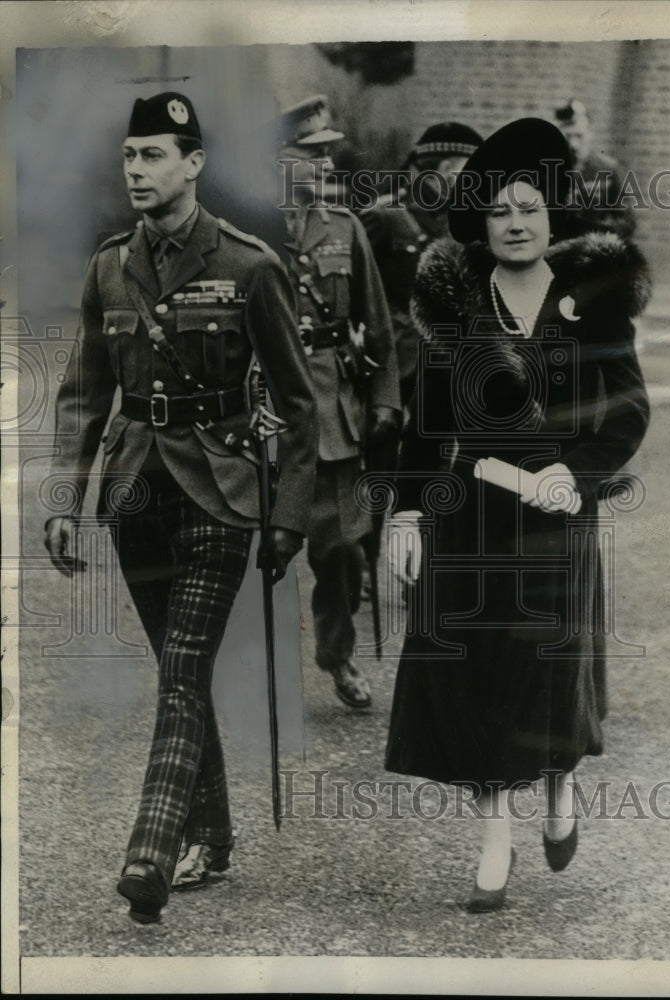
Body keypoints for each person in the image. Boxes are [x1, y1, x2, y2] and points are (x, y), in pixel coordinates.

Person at [44, 92, 318, 923]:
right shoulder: (107, 267)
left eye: (154, 155)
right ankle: (215, 836)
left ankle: (151, 851)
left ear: (193, 164)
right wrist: (66, 496)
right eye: (130, 156)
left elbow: (301, 405)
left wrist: (289, 516)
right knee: (177, 672)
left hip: (221, 492)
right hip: (136, 492)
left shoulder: (249, 265)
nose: (137, 170)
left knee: (185, 669)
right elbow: (83, 393)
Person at [386, 118, 651, 910]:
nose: (514, 222)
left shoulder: (591, 305)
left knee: (549, 669)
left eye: (529, 207)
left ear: (553, 215)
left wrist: (578, 472)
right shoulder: (456, 307)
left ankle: (561, 784)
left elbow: (628, 410)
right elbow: (427, 424)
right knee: (476, 677)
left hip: (557, 512)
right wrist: (405, 516)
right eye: (499, 209)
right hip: (471, 515)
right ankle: (494, 840)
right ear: (480, 221)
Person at [275, 94, 401, 709]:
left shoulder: (345, 228)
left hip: (332, 416)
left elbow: (376, 322)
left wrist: (384, 399)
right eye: (312, 153)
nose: (328, 163)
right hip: (264, 417)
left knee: (343, 550)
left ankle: (338, 654)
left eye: (330, 151)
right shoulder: (242, 231)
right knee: (243, 555)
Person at [360, 122, 484, 409]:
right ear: (446, 170)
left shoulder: (459, 218)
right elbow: (356, 286)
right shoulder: (385, 215)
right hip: (395, 365)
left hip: (447, 365)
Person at [554, 98, 636, 239]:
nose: (573, 144)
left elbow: (627, 222)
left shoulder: (607, 169)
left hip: (590, 250)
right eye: (567, 136)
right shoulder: (548, 169)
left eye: (579, 136)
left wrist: (597, 228)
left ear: (590, 134)